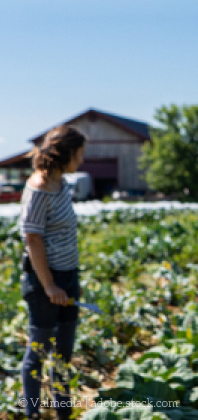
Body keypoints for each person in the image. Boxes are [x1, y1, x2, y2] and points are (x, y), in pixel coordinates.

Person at [19, 125, 87, 420]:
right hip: (44, 282)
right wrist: (49, 287)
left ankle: (63, 413)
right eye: (80, 154)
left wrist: (67, 282)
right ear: (67, 153)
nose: (82, 161)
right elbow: (32, 239)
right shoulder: (38, 188)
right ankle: (32, 413)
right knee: (38, 352)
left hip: (68, 277)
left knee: (62, 354)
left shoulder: (62, 183)